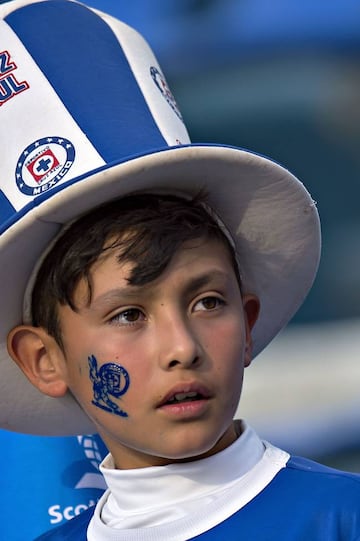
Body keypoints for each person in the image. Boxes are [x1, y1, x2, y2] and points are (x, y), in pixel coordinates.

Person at [1, 1, 360, 540]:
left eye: (209, 302)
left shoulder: (341, 518)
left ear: (248, 322)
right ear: (45, 359)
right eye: (127, 314)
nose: (182, 347)